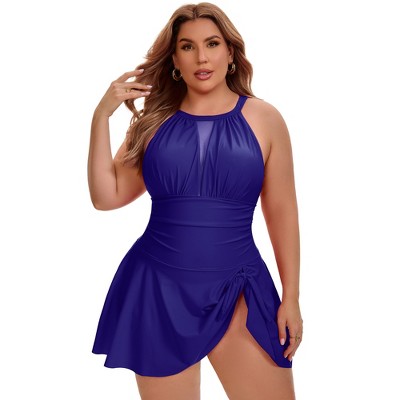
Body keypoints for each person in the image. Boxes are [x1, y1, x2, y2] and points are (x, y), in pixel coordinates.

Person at [88, 2, 303, 399]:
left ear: (231, 53)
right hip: (158, 289)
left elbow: (282, 211)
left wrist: (291, 297)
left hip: (239, 288)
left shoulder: (265, 119)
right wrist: (101, 117)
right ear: (174, 59)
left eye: (212, 43)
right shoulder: (153, 123)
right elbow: (107, 196)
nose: (201, 57)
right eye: (187, 46)